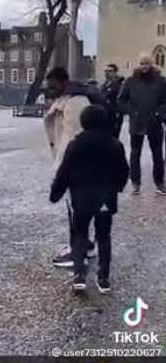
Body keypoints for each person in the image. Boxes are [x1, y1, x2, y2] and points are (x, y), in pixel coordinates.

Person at [50, 105, 129, 294]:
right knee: (104, 237)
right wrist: (116, 188)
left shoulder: (75, 144)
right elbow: (123, 171)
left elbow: (65, 171)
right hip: (105, 198)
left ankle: (79, 275)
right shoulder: (115, 144)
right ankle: (103, 278)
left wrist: (56, 192)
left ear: (83, 121)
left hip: (81, 197)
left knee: (80, 236)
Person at [44, 67, 110, 268]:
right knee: (78, 209)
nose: (49, 89)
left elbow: (71, 138)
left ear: (63, 82)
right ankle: (84, 245)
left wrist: (62, 168)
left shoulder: (74, 103)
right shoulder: (69, 99)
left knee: (77, 210)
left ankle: (78, 250)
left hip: (78, 166)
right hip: (85, 165)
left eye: (52, 84)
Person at [117, 53, 166, 195]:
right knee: (135, 153)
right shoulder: (130, 81)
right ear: (138, 65)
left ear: (152, 65)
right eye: (142, 63)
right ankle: (135, 182)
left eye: (147, 64)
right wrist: (132, 112)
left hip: (154, 122)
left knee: (157, 154)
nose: (144, 66)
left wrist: (159, 114)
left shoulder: (161, 81)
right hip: (137, 122)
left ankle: (160, 182)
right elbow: (121, 100)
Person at [100, 63, 124, 138]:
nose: (107, 73)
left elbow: (121, 100)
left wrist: (118, 112)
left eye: (110, 71)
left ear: (115, 72)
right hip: (104, 114)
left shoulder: (120, 85)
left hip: (115, 114)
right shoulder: (104, 84)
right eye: (105, 71)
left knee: (113, 137)